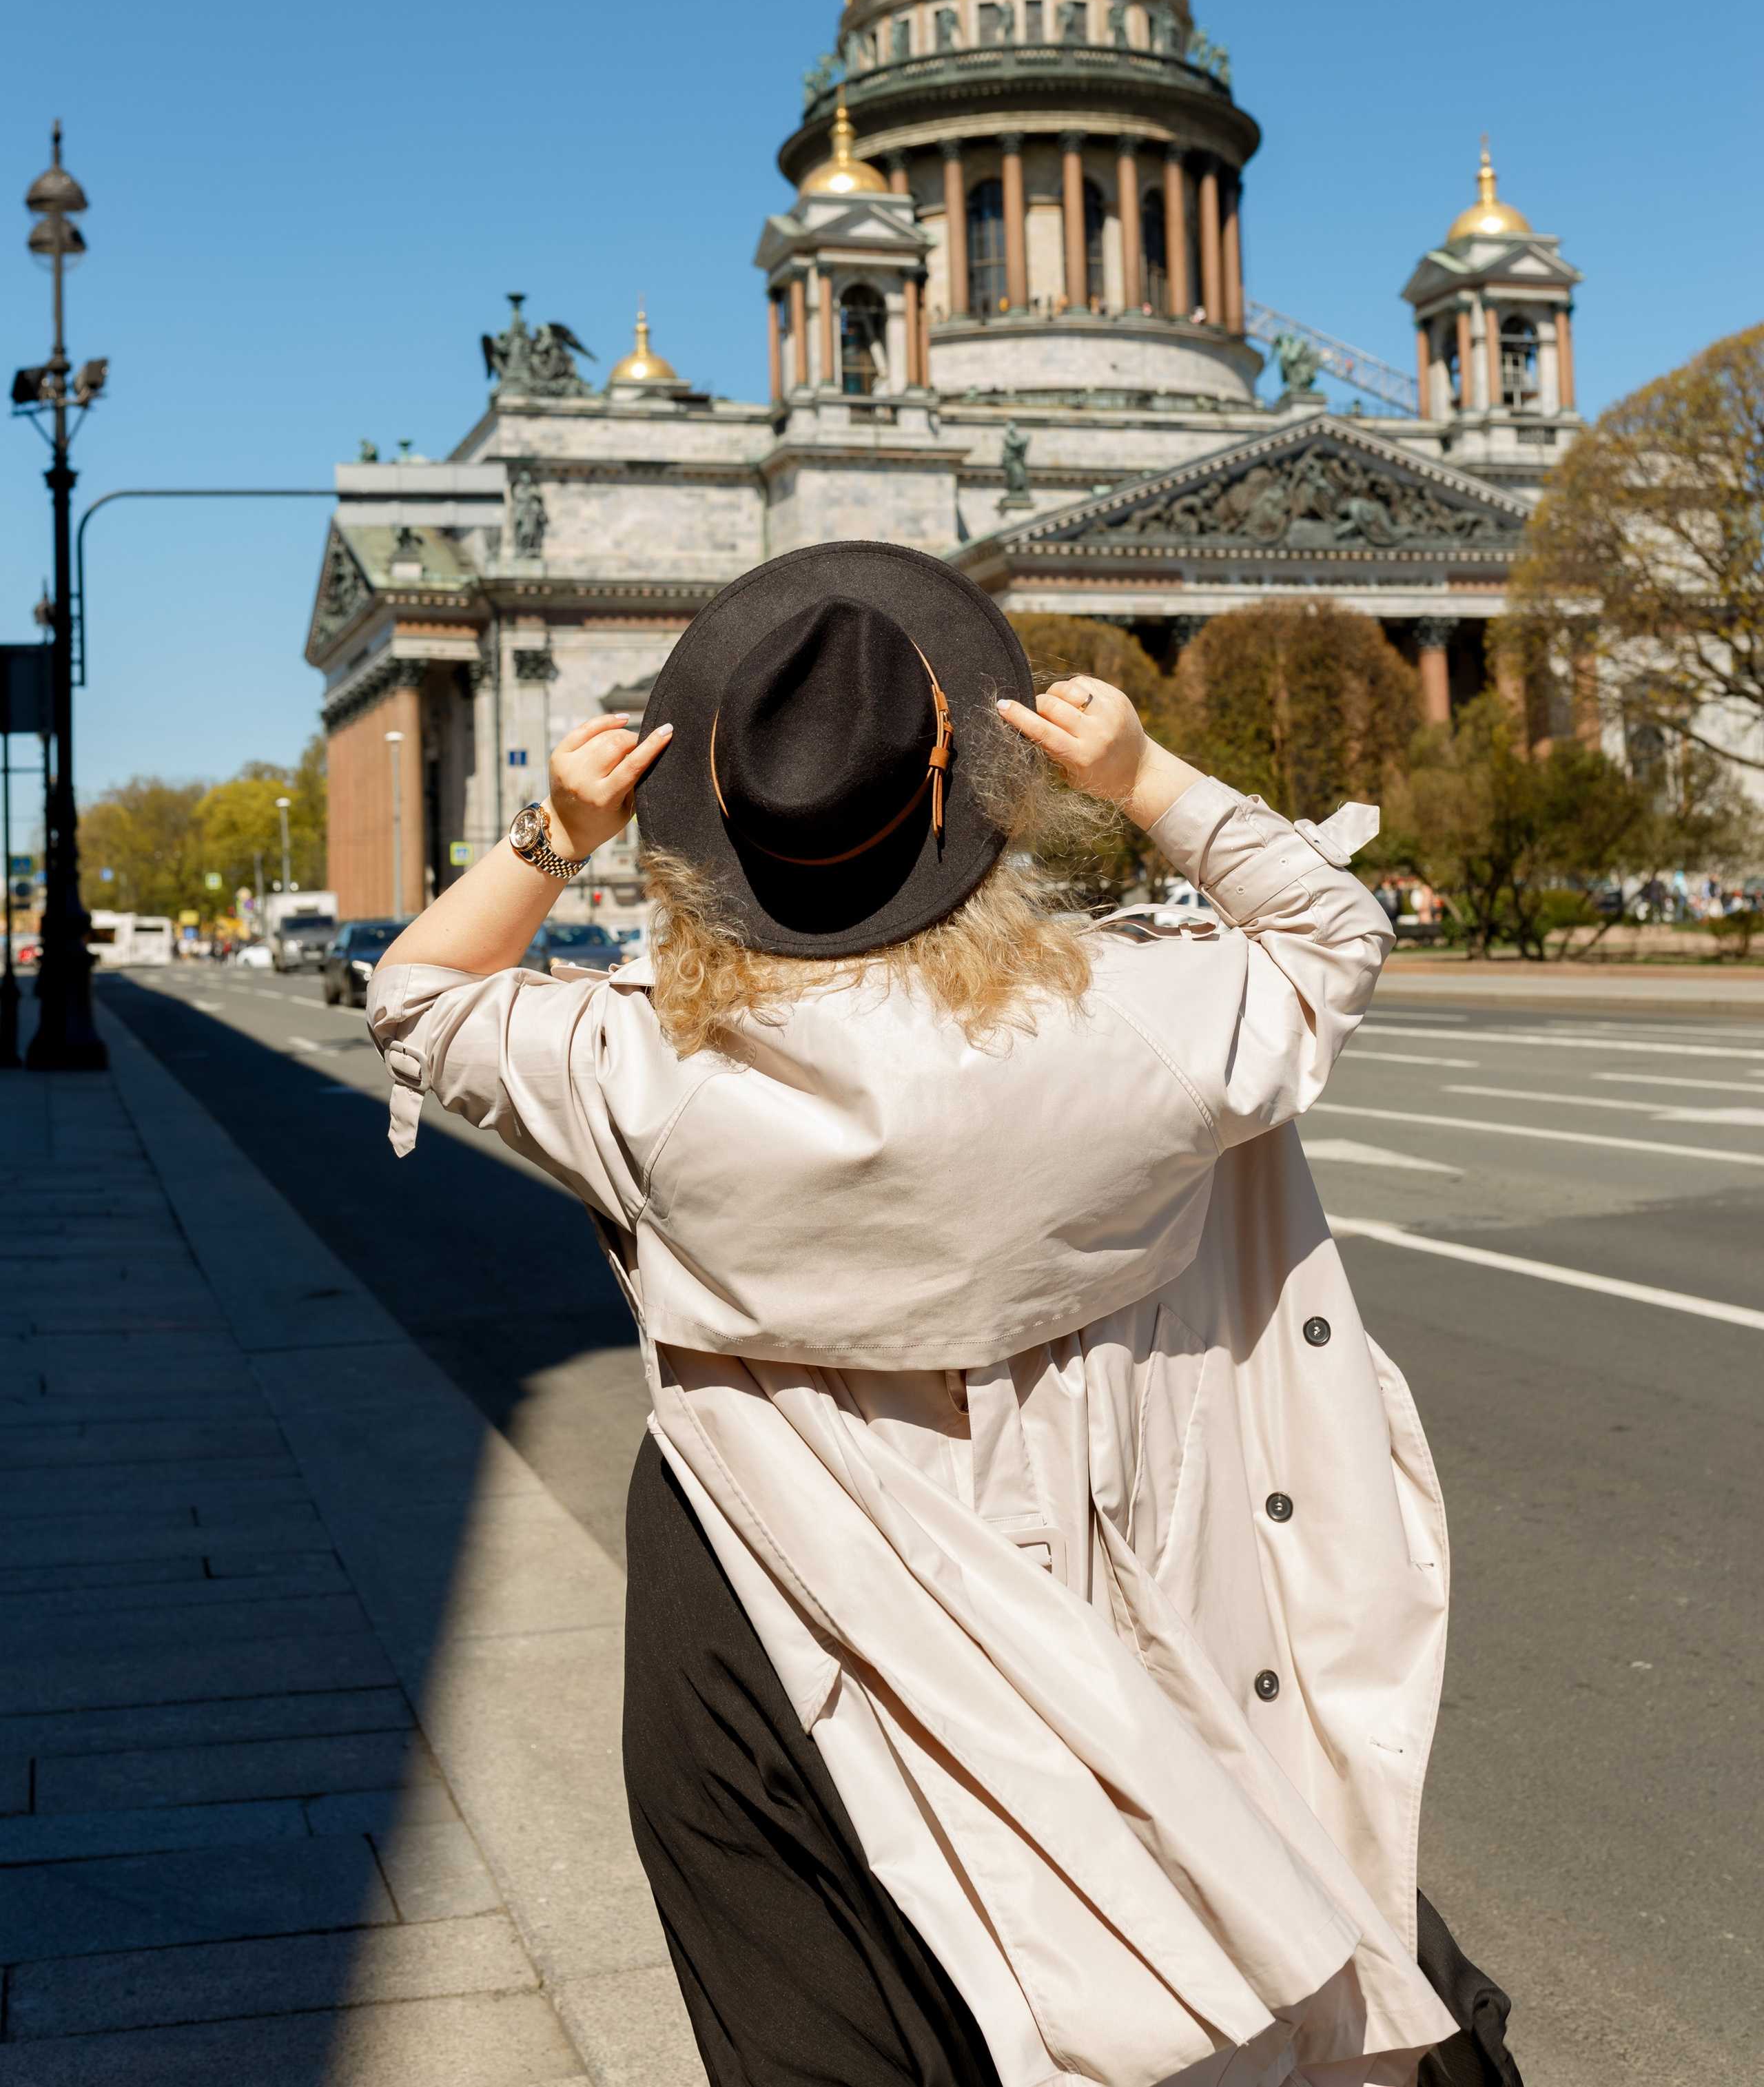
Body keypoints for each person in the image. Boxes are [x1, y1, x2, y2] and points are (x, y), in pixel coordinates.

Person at [370, 541, 1517, 2087]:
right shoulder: (1130, 1026)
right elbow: (1330, 935)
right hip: (1098, 1552)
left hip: (768, 1595)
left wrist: (552, 830)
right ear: (960, 797)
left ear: (710, 835)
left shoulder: (645, 1077)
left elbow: (422, 996)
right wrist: (1141, 772)